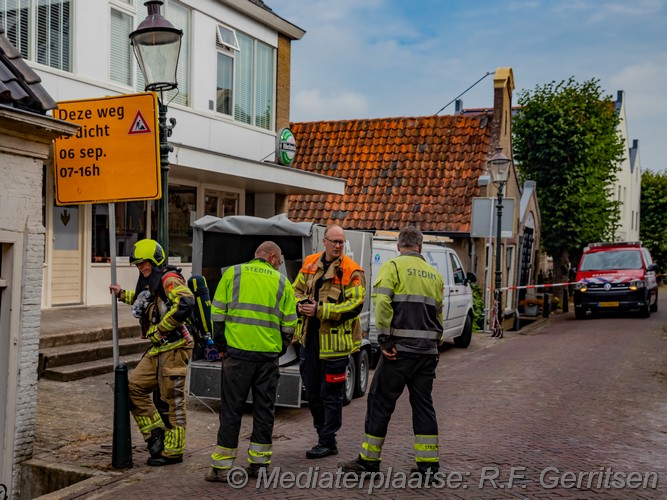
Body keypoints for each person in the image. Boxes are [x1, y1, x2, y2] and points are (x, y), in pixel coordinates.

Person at [338, 225, 444, 477]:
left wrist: (384, 340)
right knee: (423, 404)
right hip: (427, 353)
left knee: (380, 403)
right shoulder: (434, 274)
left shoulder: (393, 267)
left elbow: (382, 302)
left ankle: (369, 461)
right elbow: (439, 313)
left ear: (398, 246)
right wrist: (434, 344)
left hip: (398, 352)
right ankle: (428, 465)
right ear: (420, 247)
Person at [205, 241, 297, 482]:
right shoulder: (282, 282)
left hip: (236, 355)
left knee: (231, 410)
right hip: (267, 358)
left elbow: (217, 315)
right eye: (279, 260)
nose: (278, 264)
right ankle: (259, 465)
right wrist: (280, 349)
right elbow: (290, 324)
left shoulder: (233, 274)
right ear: (273, 257)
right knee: (264, 410)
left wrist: (222, 347)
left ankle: (222, 468)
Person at [109, 239, 195, 466]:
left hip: (175, 348)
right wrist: (121, 294)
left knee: (172, 400)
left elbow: (186, 302)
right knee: (134, 387)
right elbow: (146, 302)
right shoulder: (152, 282)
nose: (141, 268)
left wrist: (160, 330)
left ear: (155, 260)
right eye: (138, 265)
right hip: (158, 348)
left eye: (143, 264)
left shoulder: (169, 279)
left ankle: (174, 451)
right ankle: (156, 436)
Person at [293, 224, 366, 459]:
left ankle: (328, 440)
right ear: (323, 241)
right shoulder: (310, 262)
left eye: (341, 242)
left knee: (331, 395)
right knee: (312, 392)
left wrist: (320, 310)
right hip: (309, 340)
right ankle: (321, 435)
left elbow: (355, 305)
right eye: (333, 241)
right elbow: (295, 290)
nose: (337, 246)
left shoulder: (352, 271)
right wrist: (299, 305)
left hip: (335, 347)